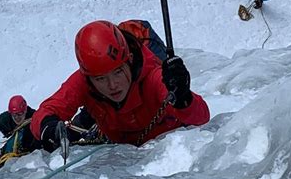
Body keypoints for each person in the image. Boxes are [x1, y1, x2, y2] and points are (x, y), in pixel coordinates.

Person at [30, 20, 210, 151]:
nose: (112, 85)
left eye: (117, 72)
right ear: (89, 77)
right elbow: (47, 111)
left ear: (129, 60)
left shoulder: (153, 78)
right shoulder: (83, 81)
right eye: (100, 79)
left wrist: (183, 99)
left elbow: (201, 116)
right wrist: (49, 129)